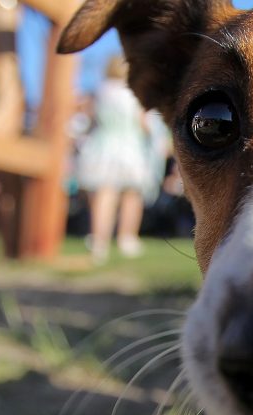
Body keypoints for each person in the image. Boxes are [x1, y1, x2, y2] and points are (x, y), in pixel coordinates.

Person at [75, 55, 153, 263]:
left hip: (103, 146)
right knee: (131, 195)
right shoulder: (136, 92)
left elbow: (90, 119)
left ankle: (99, 241)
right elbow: (143, 124)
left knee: (104, 194)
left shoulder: (100, 91)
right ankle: (127, 238)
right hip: (129, 148)